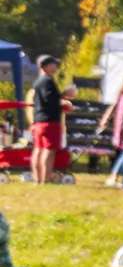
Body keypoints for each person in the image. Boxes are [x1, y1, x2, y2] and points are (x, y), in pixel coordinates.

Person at [30, 54, 73, 186]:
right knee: (49, 151)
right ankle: (45, 179)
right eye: (53, 64)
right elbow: (50, 100)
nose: (55, 66)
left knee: (38, 149)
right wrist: (64, 101)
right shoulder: (47, 81)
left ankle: (36, 178)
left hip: (38, 120)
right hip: (49, 121)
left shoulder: (37, 82)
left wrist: (61, 95)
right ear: (46, 66)